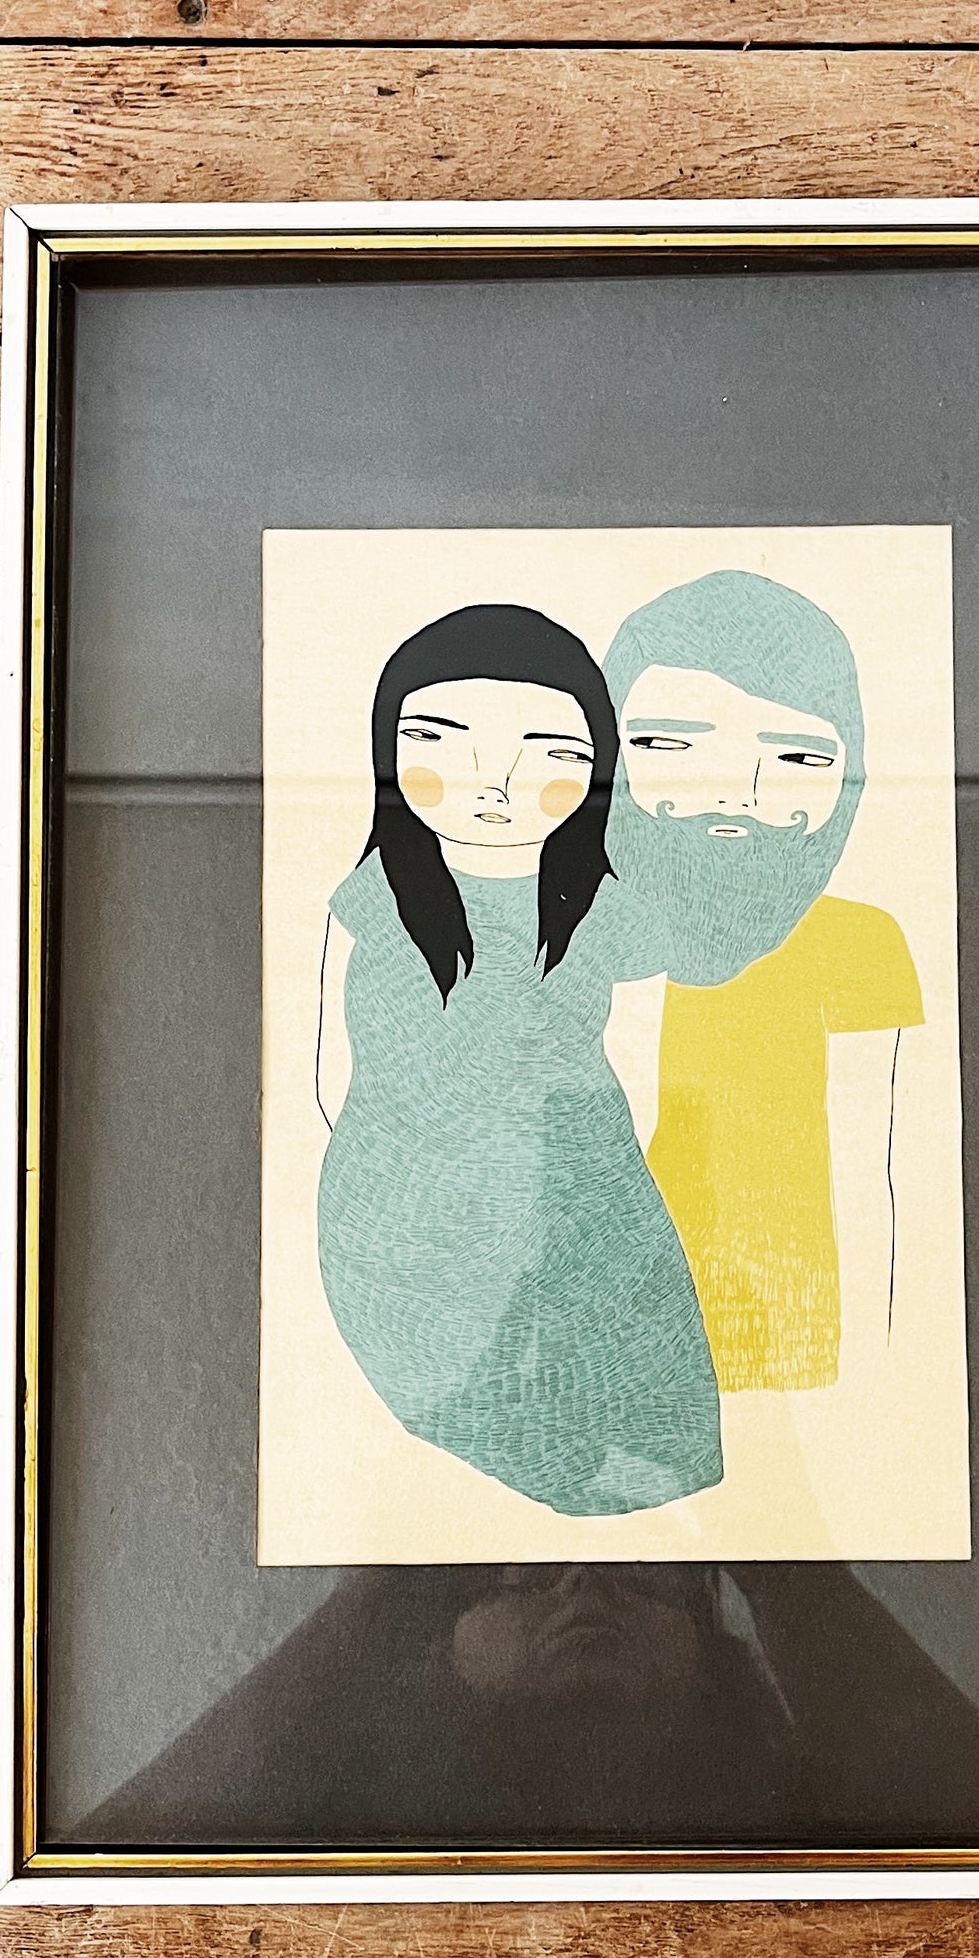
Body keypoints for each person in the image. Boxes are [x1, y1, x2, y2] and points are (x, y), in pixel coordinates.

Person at [313, 604, 722, 1516]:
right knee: (482, 1402)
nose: (493, 782)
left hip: (579, 1180)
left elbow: (658, 1054)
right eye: (439, 741)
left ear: (597, 771)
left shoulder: (604, 909)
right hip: (407, 1201)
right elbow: (323, 1074)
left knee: (636, 1416)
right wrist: (421, 1170)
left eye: (549, 753)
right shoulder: (370, 901)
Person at [73, 1564, 979, 1850]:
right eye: (520, 1573)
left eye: (646, 1574)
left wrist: (787, 1567)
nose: (587, 1586)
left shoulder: (801, 1805)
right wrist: (398, 1578)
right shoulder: (353, 1810)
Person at [603, 573, 925, 1392]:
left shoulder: (857, 943)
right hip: (597, 1346)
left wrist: (882, 1378)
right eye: (670, 744)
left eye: (796, 757)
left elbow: (877, 1178)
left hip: (789, 1342)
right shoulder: (568, 936)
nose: (733, 791)